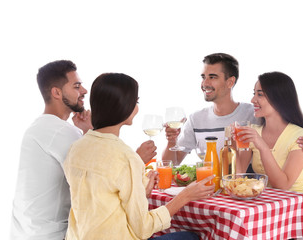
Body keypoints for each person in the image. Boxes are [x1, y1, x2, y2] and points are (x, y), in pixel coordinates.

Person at [10, 61, 156, 240]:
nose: (84, 91)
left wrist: (87, 130)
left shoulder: (40, 127)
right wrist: (137, 158)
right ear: (56, 92)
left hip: (25, 231)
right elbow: (104, 169)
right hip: (53, 234)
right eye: (77, 86)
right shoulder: (61, 132)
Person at [63, 73, 215, 240]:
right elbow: (143, 228)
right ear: (125, 106)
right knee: (191, 237)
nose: (137, 107)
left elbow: (102, 199)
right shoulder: (126, 157)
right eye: (136, 102)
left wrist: (142, 191)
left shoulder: (75, 148)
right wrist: (185, 195)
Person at [162, 53, 303, 166]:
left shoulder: (253, 114)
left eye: (213, 77)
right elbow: (173, 162)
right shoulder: (195, 119)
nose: (205, 83)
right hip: (211, 190)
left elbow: (286, 135)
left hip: (247, 191)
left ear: (230, 82)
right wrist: (171, 141)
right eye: (203, 77)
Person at [236, 71, 303, 227]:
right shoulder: (254, 131)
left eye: (260, 94)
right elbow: (239, 178)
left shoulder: (300, 136)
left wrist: (261, 145)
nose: (253, 100)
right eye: (254, 94)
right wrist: (236, 147)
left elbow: (283, 185)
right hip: (274, 205)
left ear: (279, 97)